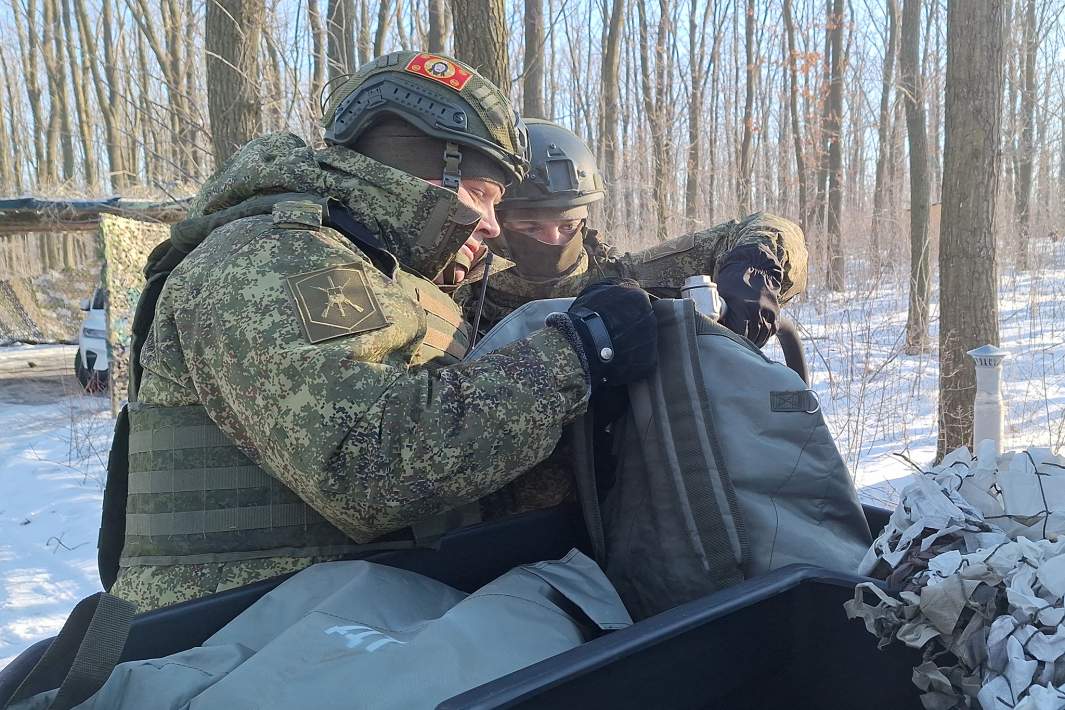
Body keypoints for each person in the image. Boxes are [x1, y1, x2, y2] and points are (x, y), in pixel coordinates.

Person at [106, 52, 656, 611]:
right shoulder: (273, 257)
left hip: (327, 616)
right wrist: (574, 356)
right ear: (424, 172)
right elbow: (367, 465)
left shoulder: (375, 272)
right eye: (483, 196)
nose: (492, 226)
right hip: (231, 636)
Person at [454, 118, 808, 347]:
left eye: (568, 226)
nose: (554, 241)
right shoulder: (462, 302)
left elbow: (768, 228)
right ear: (495, 222)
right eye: (531, 228)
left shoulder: (621, 282)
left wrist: (753, 270)